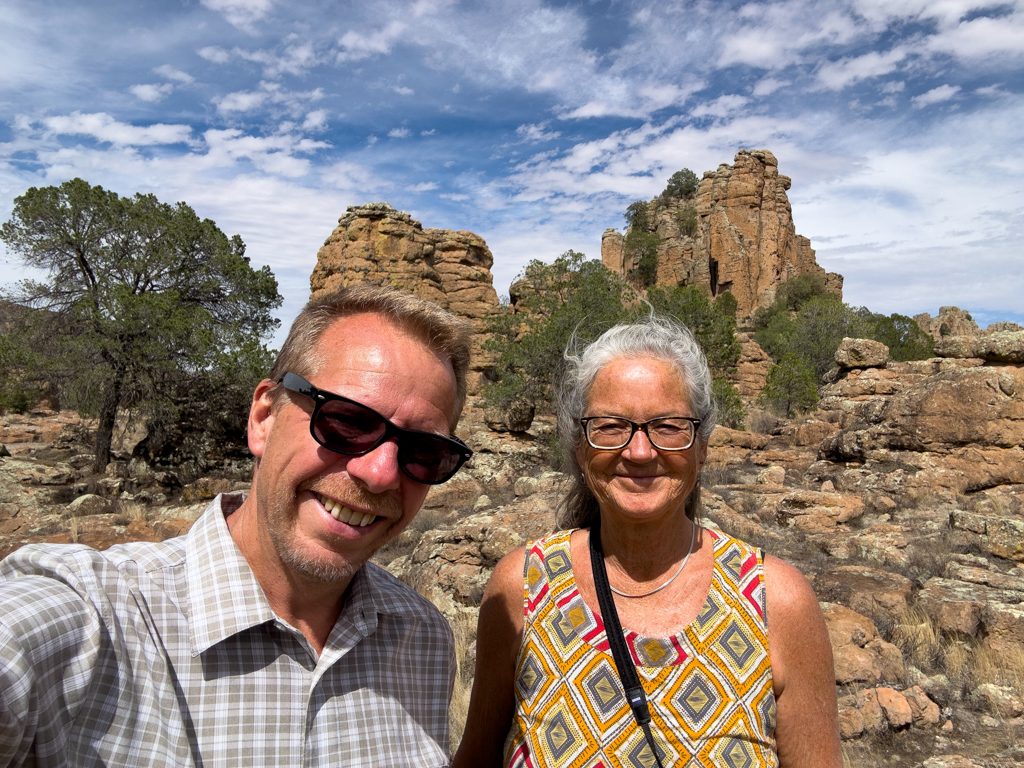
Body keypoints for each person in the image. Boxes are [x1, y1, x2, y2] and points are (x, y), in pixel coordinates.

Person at [0, 285, 475, 766]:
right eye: (348, 422)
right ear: (264, 418)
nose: (379, 474)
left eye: (425, 452)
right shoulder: (96, 615)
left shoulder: (423, 638)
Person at [453, 316, 841, 768]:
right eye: (611, 426)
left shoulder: (778, 601)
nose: (639, 452)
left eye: (669, 426)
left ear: (702, 447)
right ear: (579, 446)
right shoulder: (522, 587)